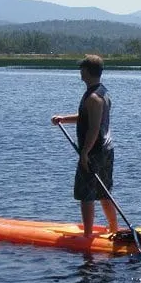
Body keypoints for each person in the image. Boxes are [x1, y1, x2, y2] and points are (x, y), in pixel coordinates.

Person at [51, 54, 118, 237]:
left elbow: (94, 129)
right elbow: (88, 118)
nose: (80, 71)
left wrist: (84, 153)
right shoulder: (102, 92)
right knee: (104, 191)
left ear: (87, 72)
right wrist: (64, 119)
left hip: (94, 152)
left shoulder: (93, 98)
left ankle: (87, 235)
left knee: (86, 194)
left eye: (82, 68)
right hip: (106, 150)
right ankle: (113, 229)